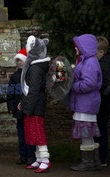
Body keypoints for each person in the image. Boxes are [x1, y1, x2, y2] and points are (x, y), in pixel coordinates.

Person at [69, 34, 102, 171]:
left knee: (85, 133)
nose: (76, 48)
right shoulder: (86, 61)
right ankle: (95, 162)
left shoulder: (90, 62)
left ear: (84, 48)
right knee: (87, 133)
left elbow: (89, 83)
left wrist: (73, 86)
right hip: (86, 103)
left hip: (86, 103)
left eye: (78, 46)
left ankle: (88, 163)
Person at [19, 35, 51, 173]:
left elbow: (34, 91)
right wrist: (24, 103)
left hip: (35, 106)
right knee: (33, 131)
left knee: (38, 132)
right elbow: (30, 90)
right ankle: (38, 158)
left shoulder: (35, 69)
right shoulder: (35, 67)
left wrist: (27, 107)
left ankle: (45, 159)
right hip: (34, 104)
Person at [7, 48, 36, 165]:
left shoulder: (31, 74)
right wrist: (10, 106)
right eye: (17, 60)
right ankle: (23, 156)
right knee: (21, 134)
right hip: (19, 111)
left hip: (29, 109)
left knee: (30, 133)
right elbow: (10, 93)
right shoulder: (14, 76)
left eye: (21, 60)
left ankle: (31, 156)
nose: (19, 62)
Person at [95, 36, 110, 167]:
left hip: (103, 102)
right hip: (105, 101)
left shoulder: (100, 64)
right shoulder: (106, 62)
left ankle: (101, 157)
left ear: (101, 52)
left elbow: (102, 84)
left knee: (101, 129)